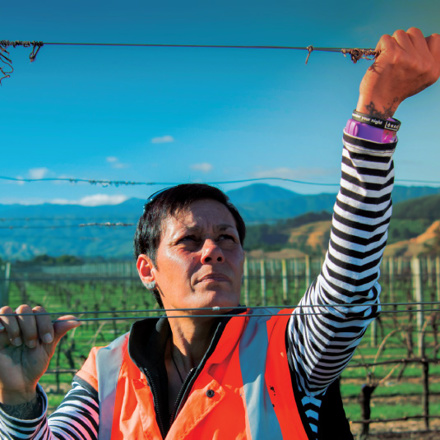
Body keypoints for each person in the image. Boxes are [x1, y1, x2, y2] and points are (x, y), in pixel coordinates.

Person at [0, 27, 439, 440]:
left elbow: (349, 287)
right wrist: (18, 399)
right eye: (189, 241)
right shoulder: (107, 371)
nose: (213, 251)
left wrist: (375, 114)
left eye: (227, 239)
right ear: (147, 270)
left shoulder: (290, 348)